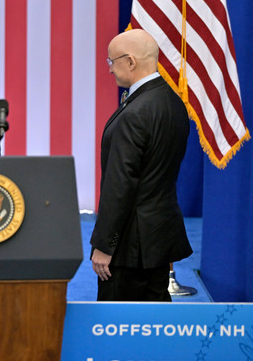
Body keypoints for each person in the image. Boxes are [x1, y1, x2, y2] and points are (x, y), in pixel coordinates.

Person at [90, 29, 193, 301]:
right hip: (158, 239)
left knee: (119, 330)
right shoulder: (173, 103)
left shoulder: (134, 113)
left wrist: (105, 245)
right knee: (156, 328)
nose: (110, 69)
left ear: (131, 62)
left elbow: (120, 185)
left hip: (129, 247)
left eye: (112, 62)